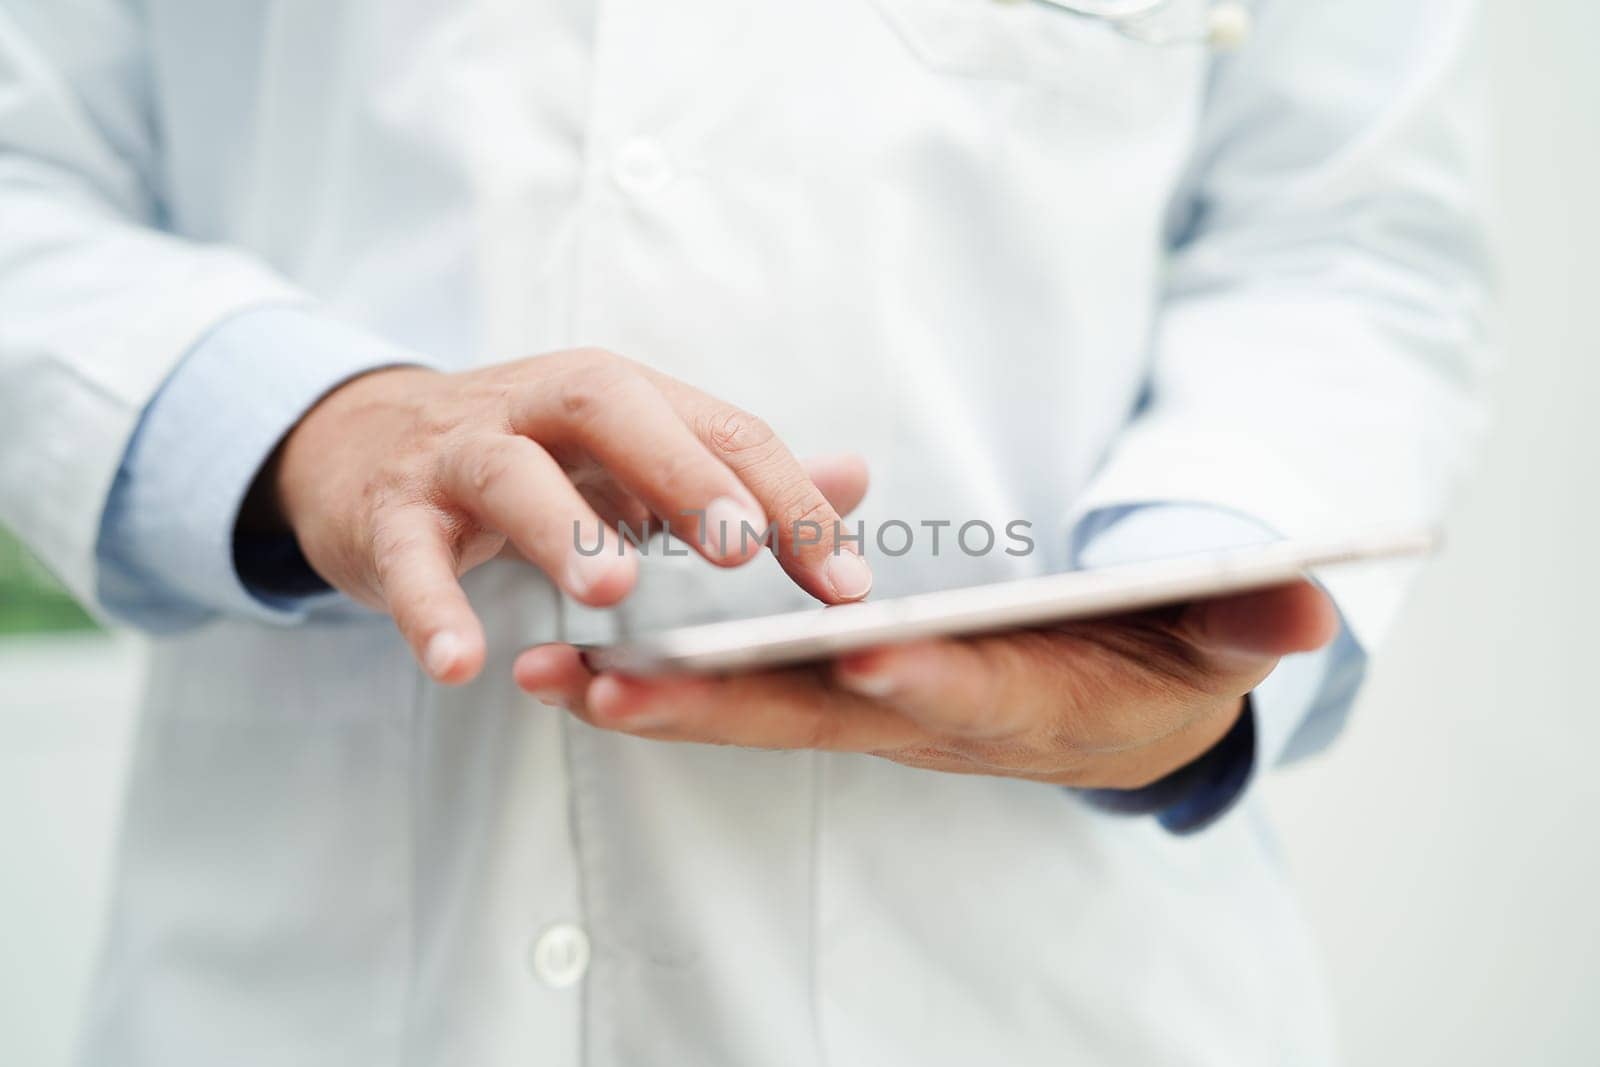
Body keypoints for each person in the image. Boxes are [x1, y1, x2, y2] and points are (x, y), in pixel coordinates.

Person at [0, 0, 1488, 1063]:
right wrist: (310, 425)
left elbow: (1346, 237)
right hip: (302, 983)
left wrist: (1187, 598)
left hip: (1036, 983)